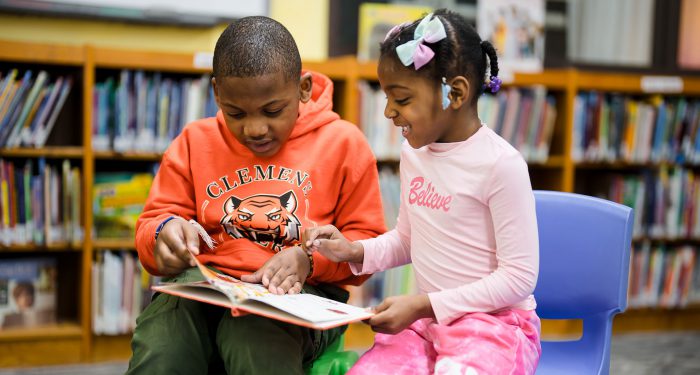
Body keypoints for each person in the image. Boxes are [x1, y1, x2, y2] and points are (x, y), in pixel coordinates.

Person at [126, 16, 386, 375]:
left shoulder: (344, 144)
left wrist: (310, 261)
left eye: (272, 111)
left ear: (304, 89)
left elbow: (367, 246)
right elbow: (153, 224)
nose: (255, 128)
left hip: (301, 296)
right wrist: (163, 236)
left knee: (253, 337)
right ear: (217, 93)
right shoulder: (193, 142)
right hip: (202, 287)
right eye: (235, 113)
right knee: (163, 343)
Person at [305, 9, 541, 375]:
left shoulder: (501, 165)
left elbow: (518, 279)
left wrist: (423, 304)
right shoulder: (413, 153)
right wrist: (353, 250)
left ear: (455, 93)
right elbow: (408, 239)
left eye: (401, 100)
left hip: (494, 327)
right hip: (426, 325)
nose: (387, 112)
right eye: (386, 98)